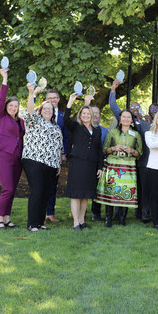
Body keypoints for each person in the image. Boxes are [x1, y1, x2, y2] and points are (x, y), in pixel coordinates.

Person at [21, 83, 64, 232]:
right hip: (34, 161)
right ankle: (32, 224)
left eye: (50, 109)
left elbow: (59, 147)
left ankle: (40, 222)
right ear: (41, 110)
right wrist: (32, 93)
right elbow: (29, 111)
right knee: (37, 191)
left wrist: (59, 164)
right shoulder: (35, 121)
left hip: (51, 164)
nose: (48, 111)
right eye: (45, 108)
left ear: (53, 112)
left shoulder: (56, 127)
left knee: (46, 193)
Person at [110, 78, 151, 222]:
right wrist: (113, 90)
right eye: (132, 108)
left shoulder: (146, 124)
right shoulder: (125, 120)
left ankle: (144, 213)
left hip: (144, 162)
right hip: (126, 163)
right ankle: (118, 214)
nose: (134, 111)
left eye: (137, 108)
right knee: (122, 186)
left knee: (144, 189)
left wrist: (141, 120)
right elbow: (114, 106)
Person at [64, 94, 104, 230]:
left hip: (91, 165)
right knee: (76, 194)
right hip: (78, 163)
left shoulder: (97, 130)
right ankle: (75, 222)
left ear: (92, 116)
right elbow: (66, 119)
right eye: (84, 113)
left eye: (89, 113)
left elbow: (99, 150)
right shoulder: (76, 126)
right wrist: (70, 101)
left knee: (86, 194)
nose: (86, 115)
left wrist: (100, 167)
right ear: (80, 115)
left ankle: (82, 220)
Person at [97, 109, 143, 227]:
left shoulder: (136, 134)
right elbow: (104, 149)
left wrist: (132, 151)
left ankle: (122, 218)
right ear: (120, 118)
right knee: (111, 191)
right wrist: (113, 148)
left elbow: (140, 153)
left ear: (132, 119)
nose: (126, 119)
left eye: (129, 117)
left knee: (126, 191)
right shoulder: (112, 132)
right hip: (113, 164)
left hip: (128, 165)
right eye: (124, 117)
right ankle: (109, 218)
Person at [0, 68, 25, 230]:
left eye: (16, 106)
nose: (14, 108)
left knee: (12, 190)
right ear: (6, 107)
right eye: (11, 105)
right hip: (3, 156)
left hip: (17, 158)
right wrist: (4, 78)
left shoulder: (20, 121)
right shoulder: (0, 117)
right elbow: (0, 99)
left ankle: (7, 218)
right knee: (7, 188)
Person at [44, 89, 70, 223]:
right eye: (49, 98)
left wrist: (63, 154)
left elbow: (66, 137)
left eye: (54, 98)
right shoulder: (40, 113)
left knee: (53, 185)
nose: (52, 100)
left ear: (59, 99)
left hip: (56, 156)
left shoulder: (63, 116)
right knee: (41, 186)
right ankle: (40, 213)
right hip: (41, 156)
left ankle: (50, 213)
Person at [89, 104, 109, 221]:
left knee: (98, 189)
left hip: (100, 164)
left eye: (97, 113)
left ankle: (96, 213)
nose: (95, 115)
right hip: (86, 164)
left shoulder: (105, 131)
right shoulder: (83, 128)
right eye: (93, 112)